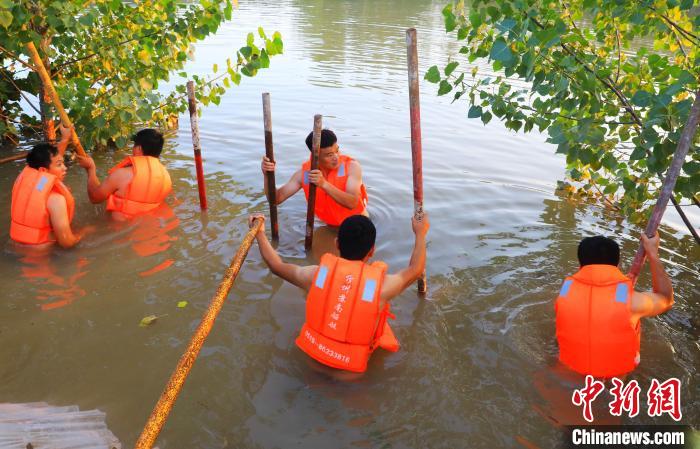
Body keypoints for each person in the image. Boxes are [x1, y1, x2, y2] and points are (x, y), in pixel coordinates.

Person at [249, 212, 429, 373]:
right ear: (372, 251)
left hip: (311, 363)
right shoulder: (381, 287)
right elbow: (416, 269)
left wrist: (260, 234)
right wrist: (420, 233)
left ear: (336, 244)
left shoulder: (316, 275)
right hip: (349, 377)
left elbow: (277, 266)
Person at [555, 233, 674, 378]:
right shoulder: (633, 302)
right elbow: (666, 299)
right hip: (612, 382)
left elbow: (595, 303)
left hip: (565, 373)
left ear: (580, 264)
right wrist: (652, 252)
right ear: (617, 265)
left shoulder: (565, 291)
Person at [261, 129, 368, 227]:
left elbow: (352, 203)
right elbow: (276, 199)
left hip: (357, 225)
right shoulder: (305, 174)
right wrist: (267, 176)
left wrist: (324, 184)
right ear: (316, 156)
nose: (336, 157)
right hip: (330, 227)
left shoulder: (352, 167)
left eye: (337, 151)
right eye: (329, 155)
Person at [10, 127, 84, 248]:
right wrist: (85, 233)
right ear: (44, 170)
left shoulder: (27, 177)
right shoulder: (56, 200)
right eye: (59, 165)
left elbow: (52, 161)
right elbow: (67, 242)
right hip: (42, 259)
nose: (65, 168)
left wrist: (65, 139)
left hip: (15, 246)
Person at [77, 129, 171, 221]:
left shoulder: (122, 175)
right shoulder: (166, 177)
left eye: (134, 145)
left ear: (138, 148)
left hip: (116, 229)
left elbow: (94, 197)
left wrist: (91, 169)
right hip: (147, 230)